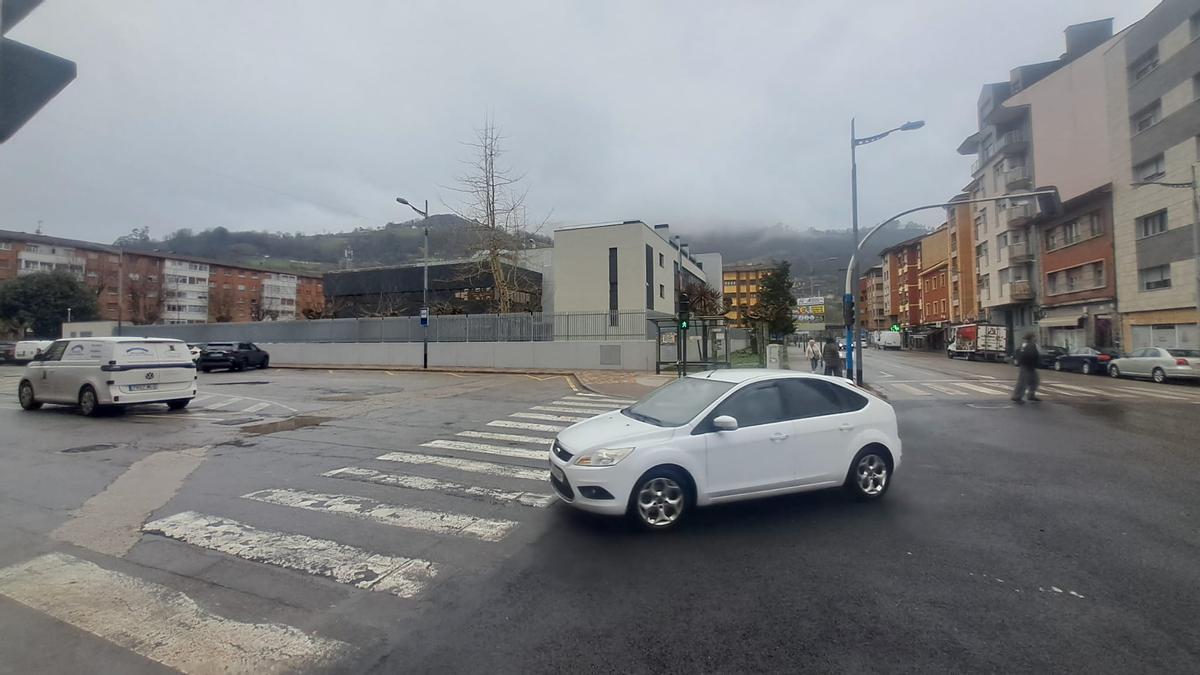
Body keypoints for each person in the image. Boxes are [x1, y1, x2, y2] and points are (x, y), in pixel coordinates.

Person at [1011, 332, 1041, 403]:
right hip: (1026, 365)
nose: (1036, 338)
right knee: (1023, 382)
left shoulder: (1031, 345)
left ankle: (1031, 395)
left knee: (1035, 381)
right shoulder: (1028, 345)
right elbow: (1029, 355)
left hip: (1030, 366)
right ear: (1031, 338)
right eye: (1035, 337)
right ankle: (1017, 396)